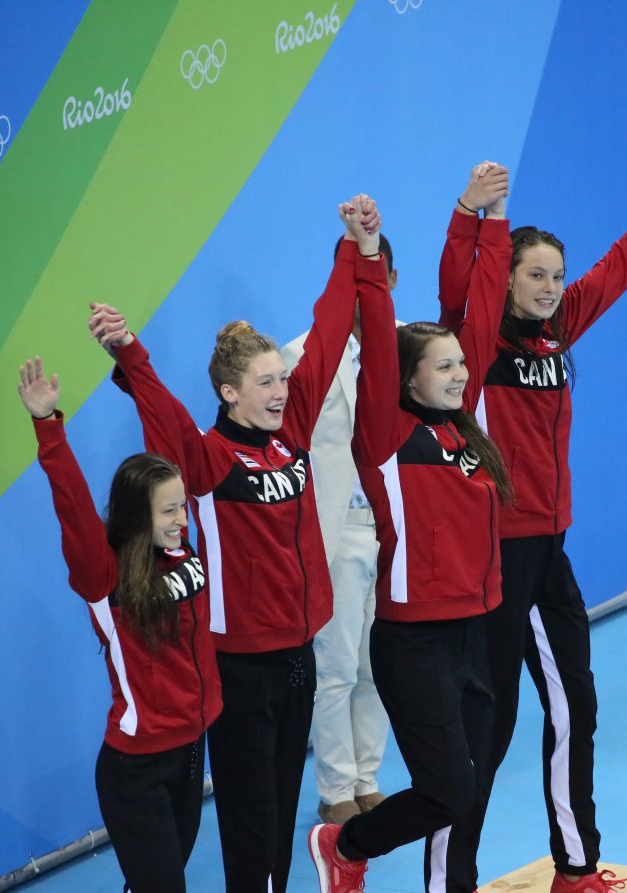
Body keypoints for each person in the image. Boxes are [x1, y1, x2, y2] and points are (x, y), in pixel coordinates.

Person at [87, 194, 385, 893]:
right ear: (228, 391)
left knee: (281, 806)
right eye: (265, 382)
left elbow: (330, 324)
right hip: (241, 666)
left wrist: (356, 248)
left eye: (282, 378)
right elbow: (161, 412)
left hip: (295, 654)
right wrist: (129, 351)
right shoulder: (211, 460)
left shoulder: (294, 433)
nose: (282, 390)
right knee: (249, 816)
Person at [437, 124, 627, 893]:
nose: (550, 287)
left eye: (555, 276)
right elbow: (459, 288)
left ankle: (576, 865)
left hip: (550, 548)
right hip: (495, 555)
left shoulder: (559, 331)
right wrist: (472, 214)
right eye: (535, 276)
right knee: (489, 722)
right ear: (508, 279)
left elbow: (620, 267)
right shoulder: (478, 345)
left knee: (574, 702)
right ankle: (454, 876)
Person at [307, 163, 512, 893]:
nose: (459, 375)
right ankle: (345, 842)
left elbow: (484, 311)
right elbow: (375, 323)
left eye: (461, 365)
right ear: (408, 378)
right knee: (446, 791)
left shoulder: (463, 433)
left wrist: (487, 221)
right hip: (414, 639)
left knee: (472, 784)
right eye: (443, 366)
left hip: (473, 631)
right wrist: (365, 254)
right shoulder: (388, 437)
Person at [17, 356, 222, 893]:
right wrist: (48, 428)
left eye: (182, 508)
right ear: (136, 515)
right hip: (138, 768)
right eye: (168, 512)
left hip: (191, 749)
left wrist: (133, 358)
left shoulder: (182, 552)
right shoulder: (103, 575)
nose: (182, 520)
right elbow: (75, 509)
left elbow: (166, 441)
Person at [279, 235, 401, 827]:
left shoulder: (405, 351)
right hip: (332, 532)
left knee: (378, 665)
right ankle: (335, 790)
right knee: (337, 669)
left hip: (389, 528)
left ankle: (367, 778)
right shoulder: (299, 357)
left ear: (389, 283)